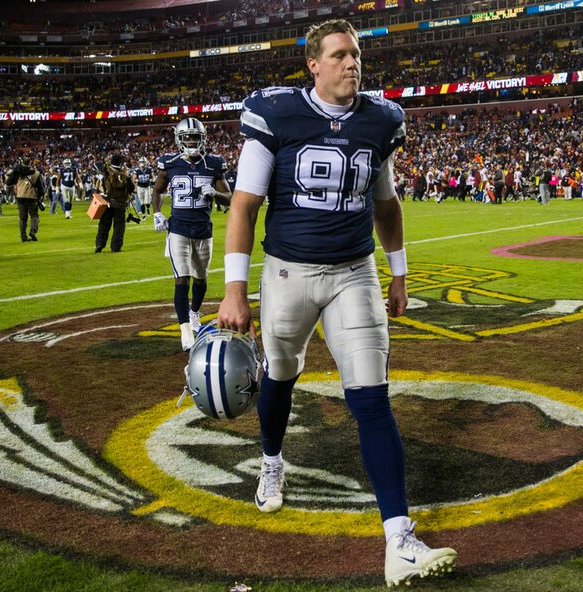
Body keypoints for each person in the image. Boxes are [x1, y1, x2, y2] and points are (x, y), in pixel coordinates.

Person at [216, 19, 456, 587]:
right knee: (280, 377)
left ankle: (398, 539)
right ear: (313, 65)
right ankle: (272, 465)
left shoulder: (380, 118)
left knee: (372, 399)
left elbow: (387, 203)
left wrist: (398, 274)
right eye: (341, 55)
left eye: (356, 54)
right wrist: (233, 288)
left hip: (355, 273)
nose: (353, 64)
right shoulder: (275, 114)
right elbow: (244, 206)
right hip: (287, 273)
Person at [152, 118, 232, 350]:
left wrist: (215, 194)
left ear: (203, 138)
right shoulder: (170, 162)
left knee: (201, 278)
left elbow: (231, 198)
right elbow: (157, 190)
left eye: (195, 137)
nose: (191, 140)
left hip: (203, 229)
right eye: (187, 137)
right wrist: (157, 212)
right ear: (179, 138)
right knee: (182, 278)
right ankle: (185, 329)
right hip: (178, 228)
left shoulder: (214, 163)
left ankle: (194, 313)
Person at [95, 154, 134, 253]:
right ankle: (115, 247)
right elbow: (131, 188)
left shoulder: (107, 172)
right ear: (120, 162)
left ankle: (100, 244)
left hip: (108, 202)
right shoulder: (124, 175)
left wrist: (106, 163)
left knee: (104, 224)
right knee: (119, 227)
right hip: (120, 204)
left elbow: (96, 164)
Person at [7, 157, 44, 242]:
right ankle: (33, 231)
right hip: (32, 197)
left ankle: (23, 237)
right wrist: (40, 197)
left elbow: (9, 183)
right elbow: (41, 187)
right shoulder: (36, 173)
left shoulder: (17, 172)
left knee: (22, 218)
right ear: (30, 163)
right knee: (34, 216)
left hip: (20, 197)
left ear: (22, 162)